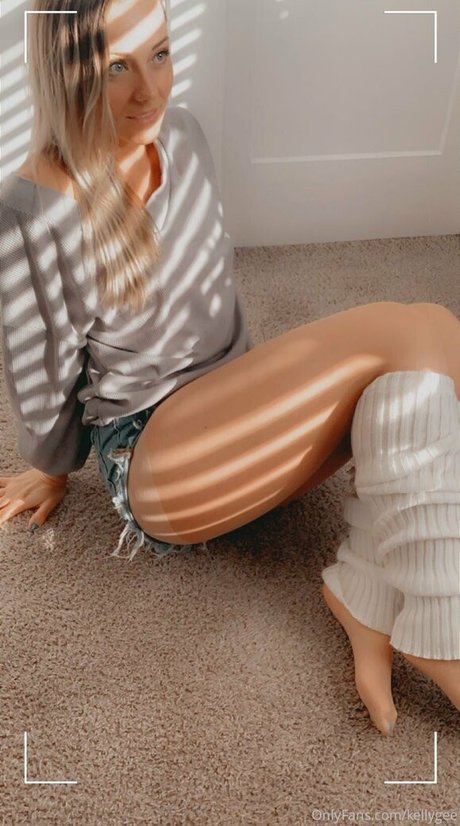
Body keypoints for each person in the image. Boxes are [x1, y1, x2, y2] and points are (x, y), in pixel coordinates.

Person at [0, 0, 458, 736]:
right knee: (418, 332)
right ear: (67, 72)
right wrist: (50, 469)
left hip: (237, 415)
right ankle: (444, 629)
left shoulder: (182, 137)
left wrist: (275, 390)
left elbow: (212, 295)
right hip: (155, 454)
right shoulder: (33, 206)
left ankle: (366, 593)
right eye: (117, 67)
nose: (150, 90)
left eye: (160, 54)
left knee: (423, 356)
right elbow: (41, 362)